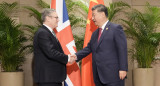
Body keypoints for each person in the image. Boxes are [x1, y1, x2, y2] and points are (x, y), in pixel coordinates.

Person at [71, 4, 128, 86]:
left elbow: (122, 49)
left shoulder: (115, 29)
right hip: (98, 76)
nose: (92, 18)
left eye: (94, 15)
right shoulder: (94, 34)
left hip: (113, 75)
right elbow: (88, 48)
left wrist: (123, 68)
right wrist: (75, 56)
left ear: (102, 14)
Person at [33, 8, 75, 86]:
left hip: (52, 77)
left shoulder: (48, 32)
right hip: (48, 79)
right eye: (56, 17)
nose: (58, 20)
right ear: (48, 18)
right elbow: (51, 52)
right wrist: (68, 58)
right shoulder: (43, 33)